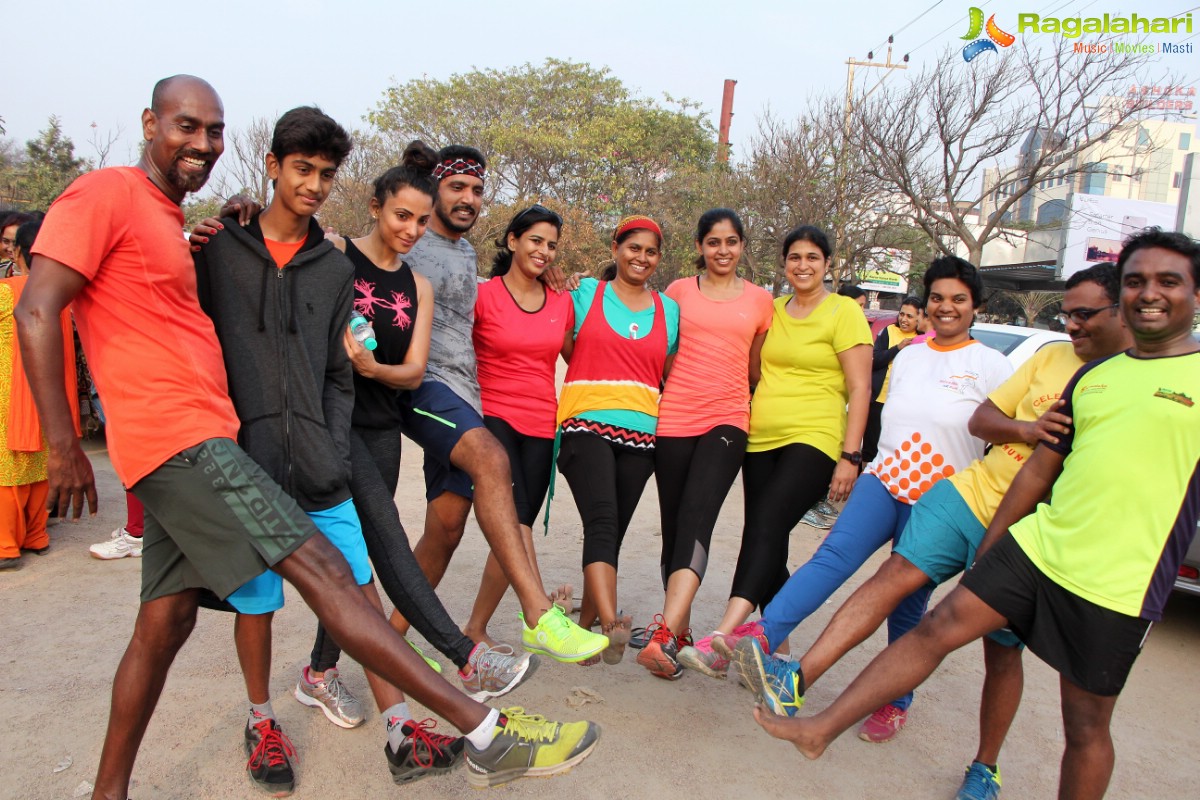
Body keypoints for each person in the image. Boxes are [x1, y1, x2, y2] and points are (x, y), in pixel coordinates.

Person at [16, 75, 599, 800]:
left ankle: (108, 793)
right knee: (329, 576)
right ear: (149, 122)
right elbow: (38, 311)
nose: (201, 142)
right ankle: (486, 732)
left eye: (213, 130)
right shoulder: (108, 193)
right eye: (186, 126)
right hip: (183, 439)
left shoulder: (189, 224)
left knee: (162, 626)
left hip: (222, 434)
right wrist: (64, 442)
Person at [751, 228, 1200, 800]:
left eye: (1167, 281)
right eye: (1137, 280)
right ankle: (813, 714)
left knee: (1083, 721)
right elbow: (1030, 462)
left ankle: (984, 766)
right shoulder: (1089, 375)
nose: (1147, 294)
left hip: (1119, 577)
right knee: (925, 615)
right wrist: (995, 549)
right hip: (1023, 535)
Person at [725, 257, 1012, 743]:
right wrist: (857, 461)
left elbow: (1004, 440)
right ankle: (761, 638)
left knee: (905, 602)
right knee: (832, 556)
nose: (945, 307)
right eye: (937, 298)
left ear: (975, 307)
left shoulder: (992, 365)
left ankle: (895, 700)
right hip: (885, 477)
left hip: (943, 497)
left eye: (958, 299)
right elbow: (887, 421)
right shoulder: (909, 356)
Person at [393, 145, 606, 663]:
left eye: (477, 190)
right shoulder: (410, 240)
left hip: (466, 397)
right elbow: (359, 252)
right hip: (427, 389)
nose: (468, 199)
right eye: (456, 188)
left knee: (445, 530)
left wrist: (557, 280)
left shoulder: (466, 253)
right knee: (493, 462)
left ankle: (386, 638)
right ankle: (539, 616)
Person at [678, 225, 871, 677]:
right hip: (761, 435)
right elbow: (748, 364)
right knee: (768, 537)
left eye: (812, 258)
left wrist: (851, 454)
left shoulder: (843, 311)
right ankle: (775, 650)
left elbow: (861, 386)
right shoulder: (774, 308)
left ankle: (723, 636)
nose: (802, 265)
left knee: (766, 525)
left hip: (816, 436)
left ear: (827, 264)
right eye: (794, 258)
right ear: (784, 264)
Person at [637, 208, 772, 680]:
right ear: (699, 247)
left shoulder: (760, 301)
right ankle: (678, 636)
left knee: (698, 517)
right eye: (713, 242)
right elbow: (664, 354)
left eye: (732, 242)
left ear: (742, 246)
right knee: (674, 529)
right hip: (673, 419)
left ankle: (662, 634)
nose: (723, 251)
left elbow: (756, 369)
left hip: (728, 421)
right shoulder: (676, 292)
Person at [557, 214, 680, 665]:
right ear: (615, 249)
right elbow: (568, 345)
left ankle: (585, 630)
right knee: (604, 520)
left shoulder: (670, 311)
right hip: (584, 424)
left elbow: (665, 372)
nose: (641, 258)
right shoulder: (586, 293)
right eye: (633, 248)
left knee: (610, 532)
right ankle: (612, 625)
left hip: (643, 435)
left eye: (650, 251)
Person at [463, 204, 575, 647]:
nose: (544, 252)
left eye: (551, 245)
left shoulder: (563, 301)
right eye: (535, 240)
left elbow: (578, 356)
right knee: (515, 523)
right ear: (512, 240)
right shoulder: (483, 294)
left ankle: (476, 628)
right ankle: (543, 619)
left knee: (515, 526)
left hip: (543, 424)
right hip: (493, 418)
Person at [0, 219, 77, 570]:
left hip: (10, 395)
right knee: (38, 466)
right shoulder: (60, 295)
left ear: (20, 252)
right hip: (48, 397)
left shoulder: (8, 291)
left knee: (9, 470)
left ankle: (6, 544)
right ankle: (35, 535)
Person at [863, 295, 921, 464]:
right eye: (902, 314)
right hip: (879, 399)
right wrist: (898, 348)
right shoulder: (889, 331)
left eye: (910, 316)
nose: (904, 319)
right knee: (870, 448)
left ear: (920, 318)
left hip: (903, 402)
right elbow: (874, 360)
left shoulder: (922, 338)